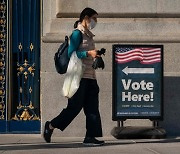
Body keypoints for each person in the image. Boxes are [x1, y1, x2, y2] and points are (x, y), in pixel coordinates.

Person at [43, 7, 104, 146]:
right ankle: (50, 125)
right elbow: (72, 54)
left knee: (92, 108)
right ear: (86, 18)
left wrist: (97, 57)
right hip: (79, 77)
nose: (95, 21)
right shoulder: (77, 34)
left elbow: (87, 52)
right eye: (94, 18)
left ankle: (90, 137)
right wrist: (89, 53)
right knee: (74, 108)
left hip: (90, 76)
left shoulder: (89, 35)